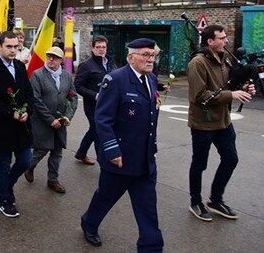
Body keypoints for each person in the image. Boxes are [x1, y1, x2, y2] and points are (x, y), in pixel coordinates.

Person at [81, 38, 164, 252]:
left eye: (152, 55)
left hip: (144, 159)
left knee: (148, 210)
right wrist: (112, 150)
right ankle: (89, 223)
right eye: (145, 55)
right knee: (105, 197)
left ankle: (151, 247)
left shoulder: (152, 79)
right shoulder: (115, 80)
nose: (150, 59)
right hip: (120, 159)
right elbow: (102, 118)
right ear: (131, 57)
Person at [187, 24, 255, 222]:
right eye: (222, 38)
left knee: (231, 159)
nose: (226, 41)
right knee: (199, 164)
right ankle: (195, 201)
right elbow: (199, 95)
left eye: (225, 37)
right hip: (203, 123)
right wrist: (231, 94)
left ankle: (215, 200)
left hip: (223, 121)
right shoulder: (198, 63)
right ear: (210, 41)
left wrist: (243, 88)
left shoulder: (223, 60)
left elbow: (228, 84)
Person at [0, 31, 33, 218]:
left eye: (15, 47)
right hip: (2, 126)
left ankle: (6, 185)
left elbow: (28, 92)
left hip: (22, 125)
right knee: (2, 164)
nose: (12, 50)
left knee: (25, 161)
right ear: (0, 46)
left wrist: (28, 111)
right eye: (8, 46)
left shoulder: (19, 66)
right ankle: (3, 199)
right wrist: (11, 113)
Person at [24, 46, 78, 193]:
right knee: (41, 150)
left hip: (60, 122)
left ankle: (52, 180)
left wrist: (67, 116)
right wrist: (50, 120)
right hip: (42, 121)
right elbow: (36, 99)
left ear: (61, 60)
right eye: (49, 56)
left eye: (54, 57)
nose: (51, 59)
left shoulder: (66, 76)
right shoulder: (38, 75)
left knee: (57, 151)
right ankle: (29, 167)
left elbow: (72, 97)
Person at [74, 35, 116, 165]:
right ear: (93, 49)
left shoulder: (111, 63)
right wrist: (95, 95)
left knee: (93, 130)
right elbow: (78, 86)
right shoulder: (86, 66)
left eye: (103, 47)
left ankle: (81, 153)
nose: (101, 50)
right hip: (93, 107)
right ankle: (104, 165)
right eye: (98, 47)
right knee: (99, 133)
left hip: (109, 105)